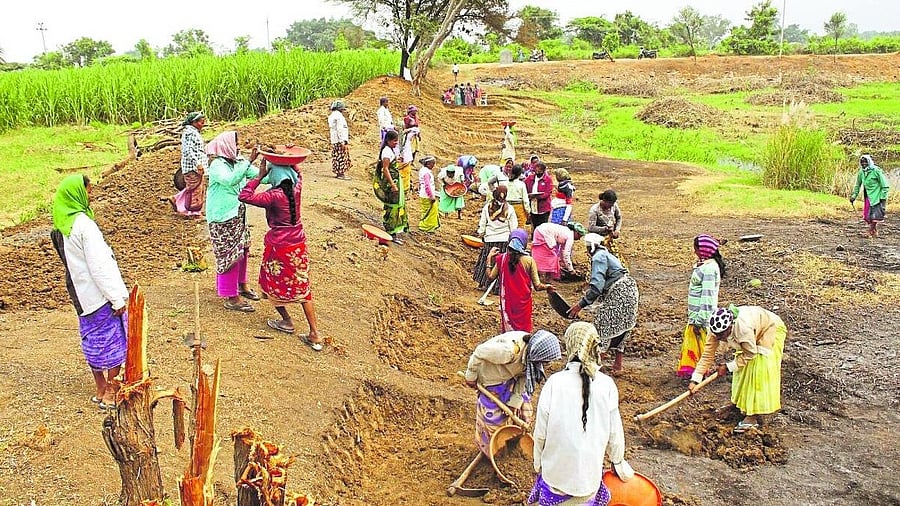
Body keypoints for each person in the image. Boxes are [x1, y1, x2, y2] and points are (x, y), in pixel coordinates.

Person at [529, 322, 634, 506]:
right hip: (588, 482)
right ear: (595, 347)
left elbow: (540, 434)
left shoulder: (554, 383)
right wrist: (618, 463)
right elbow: (615, 434)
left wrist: (538, 463)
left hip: (555, 479)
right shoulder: (607, 385)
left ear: (569, 345)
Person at [51, 174, 129, 409]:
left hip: (80, 294)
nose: (91, 194)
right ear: (77, 194)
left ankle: (99, 388)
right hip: (99, 294)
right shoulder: (85, 226)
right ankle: (111, 390)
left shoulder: (61, 226)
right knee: (115, 341)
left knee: (92, 340)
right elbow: (99, 265)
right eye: (88, 190)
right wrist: (116, 298)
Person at [239, 162, 325, 351]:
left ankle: (287, 321)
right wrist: (290, 161)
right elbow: (300, 174)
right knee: (303, 288)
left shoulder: (273, 196)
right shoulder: (297, 189)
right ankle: (315, 333)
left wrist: (260, 175)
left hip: (279, 247)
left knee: (270, 284)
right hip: (298, 246)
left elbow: (244, 196)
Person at [464, 329, 562, 457]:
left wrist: (515, 401)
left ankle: (515, 437)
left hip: (510, 376)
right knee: (492, 418)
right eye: (545, 361)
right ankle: (492, 449)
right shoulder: (508, 352)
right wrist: (471, 375)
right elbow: (479, 352)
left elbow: (523, 376)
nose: (547, 365)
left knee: (524, 409)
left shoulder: (531, 356)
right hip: (492, 377)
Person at [689, 306, 787, 433]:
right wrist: (695, 379)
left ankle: (753, 417)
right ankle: (738, 405)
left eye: (722, 335)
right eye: (717, 336)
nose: (719, 339)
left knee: (757, 370)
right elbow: (708, 355)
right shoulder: (715, 330)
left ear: (730, 328)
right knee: (742, 371)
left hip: (770, 328)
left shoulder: (743, 329)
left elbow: (750, 354)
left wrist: (728, 367)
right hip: (754, 331)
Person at [205, 131, 261, 312]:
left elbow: (260, 175)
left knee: (243, 249)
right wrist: (248, 161)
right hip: (222, 218)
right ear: (226, 146)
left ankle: (242, 285)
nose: (238, 147)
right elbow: (230, 180)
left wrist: (273, 163)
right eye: (235, 144)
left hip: (238, 214)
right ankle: (231, 296)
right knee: (229, 254)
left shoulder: (237, 162)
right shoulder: (216, 165)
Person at [567, 233, 638, 375]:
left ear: (590, 248)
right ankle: (618, 366)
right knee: (623, 326)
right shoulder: (607, 254)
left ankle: (595, 364)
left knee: (601, 326)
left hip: (619, 292)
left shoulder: (598, 257)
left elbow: (597, 287)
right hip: (630, 289)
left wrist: (580, 305)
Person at [488, 229, 553, 333]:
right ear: (524, 242)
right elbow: (537, 286)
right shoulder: (529, 260)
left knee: (508, 331)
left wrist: (489, 258)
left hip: (508, 301)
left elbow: (490, 277)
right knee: (523, 332)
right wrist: (547, 287)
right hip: (524, 304)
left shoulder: (502, 259)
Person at [677, 235, 724, 379]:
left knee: (703, 348)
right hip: (696, 316)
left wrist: (700, 320)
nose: (694, 252)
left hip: (701, 317)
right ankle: (697, 373)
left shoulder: (709, 269)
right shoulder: (706, 265)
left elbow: (707, 296)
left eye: (696, 249)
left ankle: (701, 374)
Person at [475, 185, 518, 291]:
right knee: (501, 264)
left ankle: (484, 283)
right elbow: (513, 226)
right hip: (504, 240)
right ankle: (498, 287)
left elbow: (482, 223)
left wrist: (481, 233)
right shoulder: (510, 209)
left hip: (490, 239)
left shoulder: (487, 207)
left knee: (487, 260)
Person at [168, 111, 207, 217]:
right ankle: (194, 213)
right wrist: (198, 164)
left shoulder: (192, 132)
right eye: (201, 123)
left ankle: (176, 199)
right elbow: (188, 151)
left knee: (194, 187)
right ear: (193, 122)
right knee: (195, 190)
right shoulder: (190, 133)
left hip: (194, 166)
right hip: (192, 167)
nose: (202, 125)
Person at [850, 154, 890, 238]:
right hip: (868, 196)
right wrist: (854, 195)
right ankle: (874, 231)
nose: (864, 164)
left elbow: (885, 185)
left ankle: (870, 231)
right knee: (867, 215)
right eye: (862, 162)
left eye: (865, 162)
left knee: (875, 215)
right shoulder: (861, 172)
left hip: (877, 196)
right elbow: (858, 185)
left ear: (869, 162)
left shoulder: (876, 171)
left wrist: (882, 197)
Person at [378, 130, 407, 244]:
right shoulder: (386, 152)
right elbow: (385, 169)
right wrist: (393, 184)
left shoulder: (389, 150)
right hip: (391, 184)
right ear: (388, 141)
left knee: (395, 206)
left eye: (397, 141)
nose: (396, 143)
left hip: (394, 181)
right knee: (393, 207)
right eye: (394, 141)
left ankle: (392, 230)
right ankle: (391, 232)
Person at [587, 189, 623, 260]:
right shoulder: (594, 210)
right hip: (596, 240)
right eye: (610, 203)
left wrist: (617, 230)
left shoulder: (614, 205)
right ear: (604, 201)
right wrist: (605, 229)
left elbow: (619, 218)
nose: (611, 206)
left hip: (608, 238)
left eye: (613, 203)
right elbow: (591, 228)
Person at [524, 162, 554, 230]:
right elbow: (524, 186)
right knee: (534, 224)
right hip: (532, 205)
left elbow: (547, 193)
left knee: (543, 226)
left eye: (540, 171)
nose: (538, 172)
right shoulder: (530, 178)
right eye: (536, 170)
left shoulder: (548, 179)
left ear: (543, 171)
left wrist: (537, 197)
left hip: (543, 206)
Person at [399, 105, 421, 190]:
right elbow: (405, 127)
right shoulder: (407, 118)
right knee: (410, 149)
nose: (415, 112)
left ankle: (412, 161)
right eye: (414, 111)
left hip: (415, 135)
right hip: (409, 136)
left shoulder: (416, 118)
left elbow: (417, 127)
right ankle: (409, 162)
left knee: (415, 149)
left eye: (416, 111)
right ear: (410, 111)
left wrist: (419, 135)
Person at [328, 100, 351, 180]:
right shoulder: (339, 116)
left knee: (336, 156)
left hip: (335, 139)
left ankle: (338, 172)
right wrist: (342, 141)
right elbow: (340, 129)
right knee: (341, 156)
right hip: (339, 139)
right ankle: (341, 173)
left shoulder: (332, 115)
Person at [417, 156, 440, 233]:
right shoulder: (426, 173)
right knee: (430, 212)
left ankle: (426, 225)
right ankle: (426, 227)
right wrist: (431, 196)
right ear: (428, 164)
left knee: (427, 210)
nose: (434, 165)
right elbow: (427, 185)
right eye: (433, 163)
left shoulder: (423, 170)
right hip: (427, 195)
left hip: (423, 193)